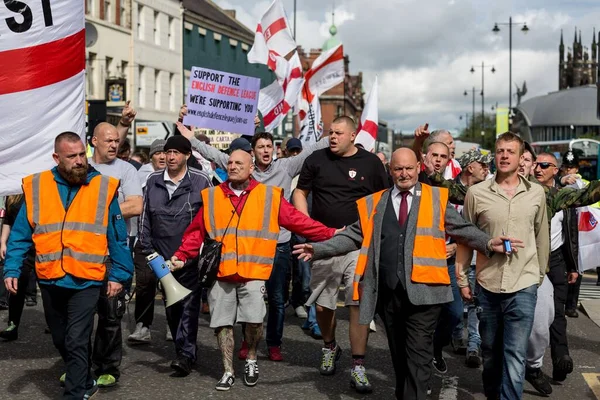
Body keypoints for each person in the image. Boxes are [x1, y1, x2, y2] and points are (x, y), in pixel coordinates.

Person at [293, 147, 519, 400]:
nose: (404, 174)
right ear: (390, 171)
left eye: (409, 168)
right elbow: (353, 235)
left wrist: (488, 243)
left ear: (418, 168)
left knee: (419, 356)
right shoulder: (375, 202)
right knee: (399, 356)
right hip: (389, 295)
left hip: (426, 294)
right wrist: (320, 249)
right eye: (398, 169)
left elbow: (463, 229)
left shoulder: (435, 198)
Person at [170, 150, 338, 391]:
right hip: (221, 272)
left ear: (251, 168)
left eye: (239, 163)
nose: (233, 166)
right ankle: (227, 370)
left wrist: (331, 234)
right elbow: (196, 232)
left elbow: (299, 222)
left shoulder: (268, 195)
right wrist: (181, 255)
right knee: (222, 324)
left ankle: (251, 358)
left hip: (254, 271)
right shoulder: (212, 196)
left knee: (254, 321)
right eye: (229, 162)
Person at [3, 132, 133, 399]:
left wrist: (119, 275)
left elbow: (118, 236)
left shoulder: (103, 187)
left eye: (81, 155)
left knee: (76, 339)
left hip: (87, 279)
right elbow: (20, 234)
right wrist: (13, 268)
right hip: (50, 279)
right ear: (56, 157)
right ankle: (86, 379)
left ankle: (74, 394)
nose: (78, 161)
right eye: (71, 156)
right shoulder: (37, 186)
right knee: (61, 339)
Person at [293, 115, 389, 393]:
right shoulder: (317, 160)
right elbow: (300, 192)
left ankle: (358, 365)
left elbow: (382, 201)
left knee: (356, 303)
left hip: (357, 244)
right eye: (330, 132)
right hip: (323, 242)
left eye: (338, 133)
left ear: (353, 135)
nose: (332, 137)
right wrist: (307, 224)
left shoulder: (371, 164)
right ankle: (330, 346)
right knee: (323, 306)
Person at [460, 132, 549, 400]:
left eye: (510, 151)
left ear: (521, 156)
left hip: (524, 283)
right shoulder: (476, 193)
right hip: (487, 283)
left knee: (515, 353)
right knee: (491, 352)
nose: (504, 156)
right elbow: (465, 237)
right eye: (500, 151)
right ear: (494, 154)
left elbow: (541, 236)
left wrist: (538, 275)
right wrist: (462, 277)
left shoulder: (536, 193)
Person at [135, 135, 212, 375]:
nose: (170, 157)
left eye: (176, 152)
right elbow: (144, 217)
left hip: (188, 257)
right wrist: (148, 251)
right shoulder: (153, 180)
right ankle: (184, 349)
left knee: (188, 305)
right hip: (160, 256)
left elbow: (210, 220)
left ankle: (185, 355)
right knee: (171, 304)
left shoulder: (201, 181)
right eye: (167, 152)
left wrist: (198, 252)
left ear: (187, 155)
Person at [89, 122, 143, 388]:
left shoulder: (126, 170)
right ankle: (81, 365)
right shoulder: (82, 168)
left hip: (114, 254)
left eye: (116, 141)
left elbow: (135, 204)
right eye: (108, 140)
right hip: (83, 253)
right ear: (93, 141)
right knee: (81, 315)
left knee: (111, 314)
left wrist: (99, 213)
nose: (113, 145)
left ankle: (108, 367)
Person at [527, 152, 579, 391]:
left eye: (545, 165)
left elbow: (571, 235)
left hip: (556, 260)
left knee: (557, 313)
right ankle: (527, 365)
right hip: (528, 260)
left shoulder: (563, 197)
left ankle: (561, 359)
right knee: (531, 315)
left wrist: (573, 266)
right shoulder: (525, 192)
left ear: (556, 170)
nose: (538, 168)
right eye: (536, 164)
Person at [0, 194, 35, 341]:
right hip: (20, 246)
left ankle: (56, 324)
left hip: (42, 245)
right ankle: (12, 326)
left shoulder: (36, 191)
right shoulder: (12, 195)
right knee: (16, 285)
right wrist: (3, 242)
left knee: (50, 287)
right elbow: (8, 220)